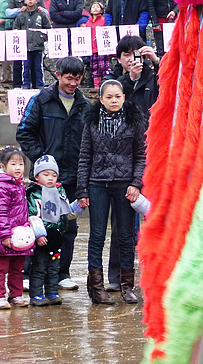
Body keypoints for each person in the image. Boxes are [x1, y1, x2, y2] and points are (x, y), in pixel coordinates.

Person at [16, 57, 89, 291]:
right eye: (69, 78)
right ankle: (30, 273)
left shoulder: (84, 105)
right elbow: (24, 133)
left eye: (77, 79)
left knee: (67, 227)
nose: (73, 83)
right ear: (58, 75)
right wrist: (41, 162)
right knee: (38, 225)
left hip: (71, 177)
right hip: (43, 180)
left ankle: (61, 273)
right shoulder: (41, 101)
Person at [76, 80, 147, 305]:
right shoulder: (92, 121)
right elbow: (85, 156)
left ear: (124, 97)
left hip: (125, 185)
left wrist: (136, 183)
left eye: (118, 96)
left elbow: (141, 155)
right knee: (97, 236)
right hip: (97, 184)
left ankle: (127, 286)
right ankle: (96, 287)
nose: (114, 100)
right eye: (109, 97)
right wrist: (82, 190)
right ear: (101, 99)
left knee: (126, 236)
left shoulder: (134, 120)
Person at [0, 146, 32, 310]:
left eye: (21, 164)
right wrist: (4, 235)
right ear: (3, 167)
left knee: (17, 268)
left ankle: (16, 294)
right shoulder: (1, 186)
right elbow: (0, 212)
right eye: (13, 164)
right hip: (4, 235)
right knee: (0, 267)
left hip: (19, 234)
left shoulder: (19, 185)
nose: (18, 168)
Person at [26, 155, 72, 307]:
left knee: (54, 267)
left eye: (54, 175)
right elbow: (32, 215)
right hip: (42, 237)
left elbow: (66, 211)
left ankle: (52, 292)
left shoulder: (60, 191)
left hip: (56, 237)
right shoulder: (33, 192)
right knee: (39, 267)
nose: (50, 178)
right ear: (37, 176)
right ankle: (36, 294)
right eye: (46, 175)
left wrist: (78, 206)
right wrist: (39, 234)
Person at [6, 0, 46, 89]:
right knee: (21, 65)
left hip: (37, 41)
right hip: (22, 38)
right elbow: (8, 12)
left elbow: (46, 15)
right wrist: (19, 10)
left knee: (37, 66)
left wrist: (41, 10)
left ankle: (38, 86)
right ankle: (21, 86)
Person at [104, 34, 160, 117]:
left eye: (136, 55)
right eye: (127, 55)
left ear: (143, 58)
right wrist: (130, 79)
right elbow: (109, 95)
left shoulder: (151, 76)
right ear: (119, 59)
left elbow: (169, 84)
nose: (131, 59)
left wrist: (157, 62)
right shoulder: (110, 79)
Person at [13, 0, 51, 89]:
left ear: (36, 1)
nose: (30, 0)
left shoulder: (41, 15)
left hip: (38, 46)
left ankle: (39, 85)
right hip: (25, 46)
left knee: (38, 68)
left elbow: (48, 29)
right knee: (25, 68)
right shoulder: (21, 15)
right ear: (25, 1)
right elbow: (15, 29)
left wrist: (42, 38)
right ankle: (25, 85)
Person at [81, 2, 113, 88]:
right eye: (93, 7)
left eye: (97, 7)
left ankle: (106, 85)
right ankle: (96, 86)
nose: (95, 8)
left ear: (101, 10)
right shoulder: (88, 22)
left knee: (104, 67)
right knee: (94, 68)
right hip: (92, 48)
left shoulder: (103, 20)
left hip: (102, 48)